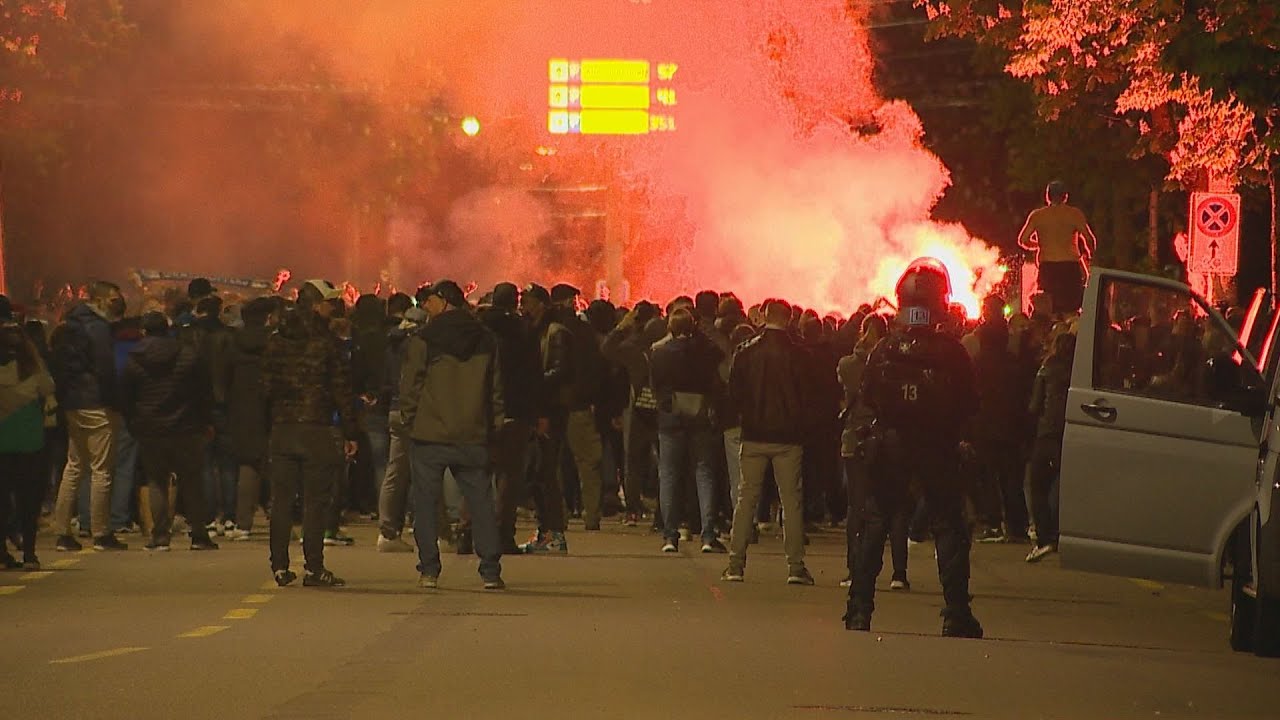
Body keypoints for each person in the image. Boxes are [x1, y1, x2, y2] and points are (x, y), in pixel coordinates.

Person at [846, 258, 983, 638]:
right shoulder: (952, 352)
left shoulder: (885, 348)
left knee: (875, 523)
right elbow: (971, 402)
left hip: (890, 444)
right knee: (949, 527)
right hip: (937, 446)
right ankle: (956, 613)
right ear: (941, 302)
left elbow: (867, 397)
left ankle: (859, 610)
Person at [398, 280, 505, 590]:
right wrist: (493, 426)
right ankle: (490, 570)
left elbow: (410, 387)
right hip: (473, 432)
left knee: (427, 503)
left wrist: (410, 421)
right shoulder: (486, 340)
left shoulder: (424, 340)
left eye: (429, 301)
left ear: (444, 301)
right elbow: (495, 389)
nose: (425, 307)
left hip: (430, 432)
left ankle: (429, 569)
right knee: (481, 502)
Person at [262, 279, 356, 588]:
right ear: (317, 305)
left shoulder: (276, 340)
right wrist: (350, 431)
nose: (334, 308)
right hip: (316, 428)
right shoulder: (327, 342)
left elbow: (265, 387)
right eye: (330, 302)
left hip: (283, 428)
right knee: (315, 502)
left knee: (282, 500)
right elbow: (342, 389)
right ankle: (314, 568)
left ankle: (279, 566)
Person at [720, 299, 815, 586]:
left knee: (746, 498)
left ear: (763, 316)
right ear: (788, 319)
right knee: (791, 501)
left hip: (754, 434)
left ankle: (735, 564)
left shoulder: (746, 352)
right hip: (789, 437)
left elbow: (734, 393)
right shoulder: (800, 355)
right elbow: (807, 396)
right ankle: (795, 567)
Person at [120, 312, 219, 552]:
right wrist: (206, 421)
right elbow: (203, 392)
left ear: (144, 331)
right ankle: (199, 535)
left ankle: (160, 536)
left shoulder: (134, 359)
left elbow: (126, 396)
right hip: (186, 427)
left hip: (150, 428)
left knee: (156, 481)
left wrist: (134, 423)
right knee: (192, 481)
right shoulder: (187, 354)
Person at [51, 280, 128, 552]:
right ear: (101, 300)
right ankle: (101, 532)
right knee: (101, 470)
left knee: (73, 466)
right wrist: (116, 402)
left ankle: (62, 532)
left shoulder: (70, 324)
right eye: (113, 298)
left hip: (73, 402)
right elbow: (105, 369)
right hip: (96, 402)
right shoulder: (98, 328)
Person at [649, 308, 727, 553]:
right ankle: (707, 534)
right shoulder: (704, 351)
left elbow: (654, 385)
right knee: (704, 472)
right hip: (699, 415)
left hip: (670, 418)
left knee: (669, 474)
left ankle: (669, 535)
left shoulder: (659, 353)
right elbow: (718, 357)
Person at [479, 282, 540, 554]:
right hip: (516, 410)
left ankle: (469, 532)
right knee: (509, 476)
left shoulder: (479, 331)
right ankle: (502, 534)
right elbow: (533, 376)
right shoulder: (524, 333)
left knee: (478, 472)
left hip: (482, 410)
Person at [0, 297, 56, 569]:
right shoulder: (31, 367)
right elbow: (48, 388)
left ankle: (1, 553)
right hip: (30, 440)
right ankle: (30, 554)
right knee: (28, 500)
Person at [518, 283, 571, 553]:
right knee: (536, 474)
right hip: (538, 409)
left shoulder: (555, 332)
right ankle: (546, 530)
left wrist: (534, 386)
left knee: (545, 473)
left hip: (550, 412)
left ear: (540, 303)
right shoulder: (534, 330)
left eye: (527, 301)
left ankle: (554, 533)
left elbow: (559, 371)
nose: (523, 306)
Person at [549, 283, 606, 530]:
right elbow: (593, 369)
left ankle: (557, 516)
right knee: (588, 463)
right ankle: (591, 516)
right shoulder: (583, 331)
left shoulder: (547, 329)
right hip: (578, 406)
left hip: (551, 406)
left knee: (552, 464)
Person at [225, 296, 278, 541]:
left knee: (248, 466)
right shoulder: (275, 343)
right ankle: (281, 520)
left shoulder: (234, 342)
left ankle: (242, 523)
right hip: (275, 409)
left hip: (243, 410)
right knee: (281, 467)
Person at [376, 299, 426, 553]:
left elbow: (385, 380)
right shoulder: (416, 345)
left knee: (394, 471)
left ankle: (387, 529)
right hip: (413, 410)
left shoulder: (391, 345)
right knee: (426, 470)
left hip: (394, 409)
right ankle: (436, 530)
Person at [1025, 331, 1075, 563]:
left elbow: (1035, 404)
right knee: (1061, 482)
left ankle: (1045, 537)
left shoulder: (1046, 369)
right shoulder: (1079, 372)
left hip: (1047, 433)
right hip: (1071, 432)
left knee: (1038, 486)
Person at [1017, 180, 1098, 315]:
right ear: (1065, 196)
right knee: (1072, 307)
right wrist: (1090, 257)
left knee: (1047, 309)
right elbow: (1089, 239)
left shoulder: (1038, 215)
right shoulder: (1074, 214)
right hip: (1070, 267)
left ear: (1047, 196)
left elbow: (1022, 240)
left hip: (1048, 268)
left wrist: (1039, 245)